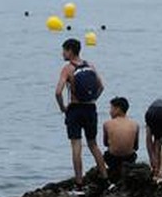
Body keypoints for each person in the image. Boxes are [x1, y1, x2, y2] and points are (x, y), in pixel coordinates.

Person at [54, 37, 107, 188]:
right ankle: (105, 178)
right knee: (93, 144)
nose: (62, 53)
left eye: (64, 50)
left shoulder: (68, 69)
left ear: (70, 51)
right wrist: (93, 99)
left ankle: (79, 183)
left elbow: (58, 92)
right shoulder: (89, 65)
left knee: (76, 146)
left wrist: (63, 107)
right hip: (90, 108)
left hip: (75, 110)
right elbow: (101, 87)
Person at [101, 97, 139, 184]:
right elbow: (136, 147)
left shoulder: (107, 124)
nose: (110, 111)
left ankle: (113, 175)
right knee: (133, 154)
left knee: (106, 154)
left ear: (118, 109)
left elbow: (105, 143)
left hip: (113, 159)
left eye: (111, 108)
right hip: (129, 159)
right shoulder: (135, 124)